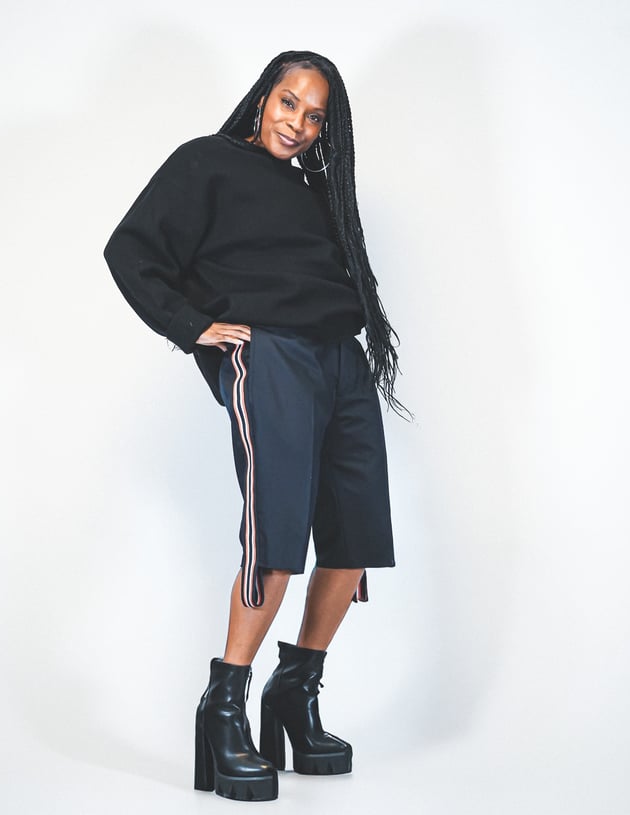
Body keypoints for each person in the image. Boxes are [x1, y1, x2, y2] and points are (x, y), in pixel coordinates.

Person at [103, 50, 408, 803]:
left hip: (341, 357)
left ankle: (293, 693)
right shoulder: (207, 162)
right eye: (288, 102)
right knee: (277, 534)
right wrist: (192, 326)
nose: (298, 124)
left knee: (357, 539)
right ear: (264, 96)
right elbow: (128, 249)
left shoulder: (315, 189)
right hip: (270, 354)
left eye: (315, 117)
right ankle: (225, 708)